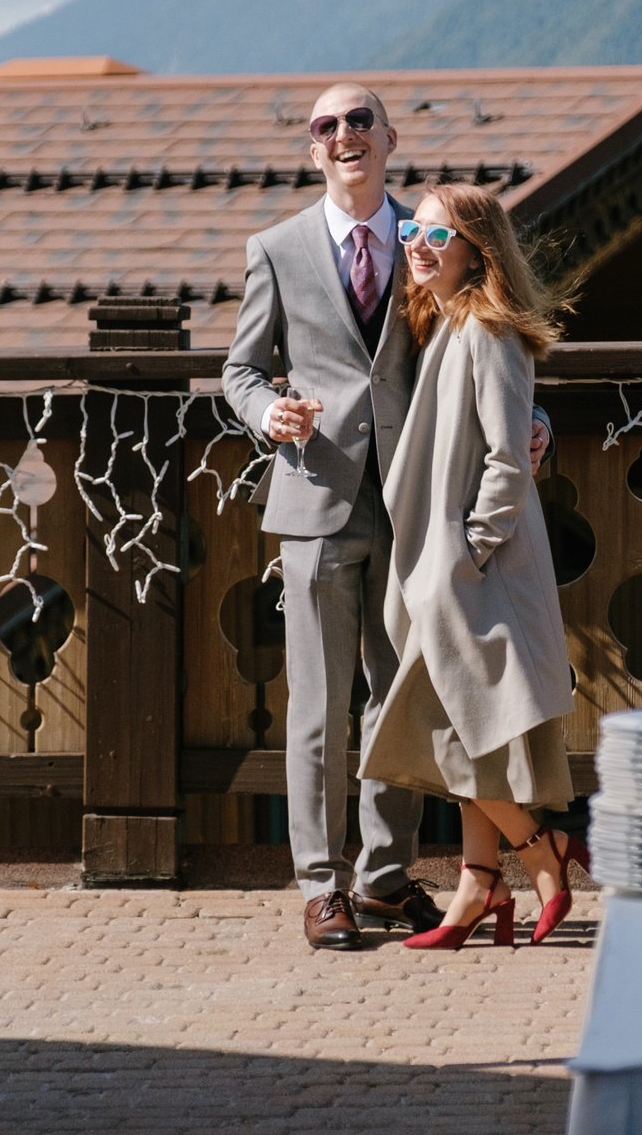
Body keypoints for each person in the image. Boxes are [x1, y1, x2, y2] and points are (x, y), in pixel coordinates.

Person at [223, 83, 547, 951]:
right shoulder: (276, 248)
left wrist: (533, 423)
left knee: (402, 692)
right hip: (315, 498)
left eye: (358, 120)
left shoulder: (429, 236)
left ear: (389, 138)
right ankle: (319, 886)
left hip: (419, 507)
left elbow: (487, 336)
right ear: (312, 150)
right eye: (325, 126)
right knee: (320, 706)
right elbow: (242, 371)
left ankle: (382, 876)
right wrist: (266, 416)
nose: (343, 135)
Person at [363, 184, 585, 950]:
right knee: (461, 724)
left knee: (448, 719)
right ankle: (478, 884)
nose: (418, 243)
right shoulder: (446, 320)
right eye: (411, 230)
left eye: (436, 232)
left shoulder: (488, 330)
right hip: (441, 564)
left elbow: (504, 456)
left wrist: (468, 551)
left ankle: (540, 853)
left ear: (474, 248)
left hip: (467, 568)